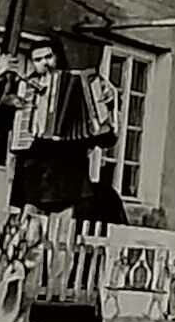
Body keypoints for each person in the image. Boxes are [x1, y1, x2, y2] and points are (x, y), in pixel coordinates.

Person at [7, 39, 115, 214]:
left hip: (70, 164)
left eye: (48, 57)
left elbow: (106, 135)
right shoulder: (26, 87)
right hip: (35, 163)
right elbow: (3, 122)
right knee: (30, 219)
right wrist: (11, 107)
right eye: (38, 60)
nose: (45, 63)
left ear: (58, 58)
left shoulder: (83, 84)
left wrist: (105, 106)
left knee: (65, 222)